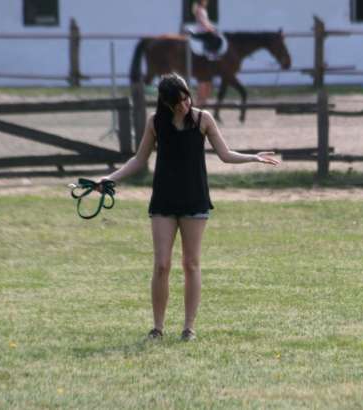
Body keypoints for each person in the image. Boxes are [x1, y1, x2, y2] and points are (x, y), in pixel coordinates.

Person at [99, 73, 279, 341]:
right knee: (161, 264)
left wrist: (253, 157)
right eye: (178, 102)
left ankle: (188, 328)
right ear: (166, 102)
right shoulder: (155, 123)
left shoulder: (203, 119)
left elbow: (226, 155)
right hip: (164, 199)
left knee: (191, 263)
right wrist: (109, 178)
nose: (184, 105)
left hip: (194, 198)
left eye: (186, 98)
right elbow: (139, 160)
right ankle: (157, 328)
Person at [191, 0, 221, 106]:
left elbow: (206, 22)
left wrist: (211, 27)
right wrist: (211, 29)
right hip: (201, 31)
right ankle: (211, 54)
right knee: (216, 39)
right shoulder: (200, 9)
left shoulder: (202, 9)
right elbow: (204, 22)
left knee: (216, 37)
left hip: (203, 30)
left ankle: (211, 53)